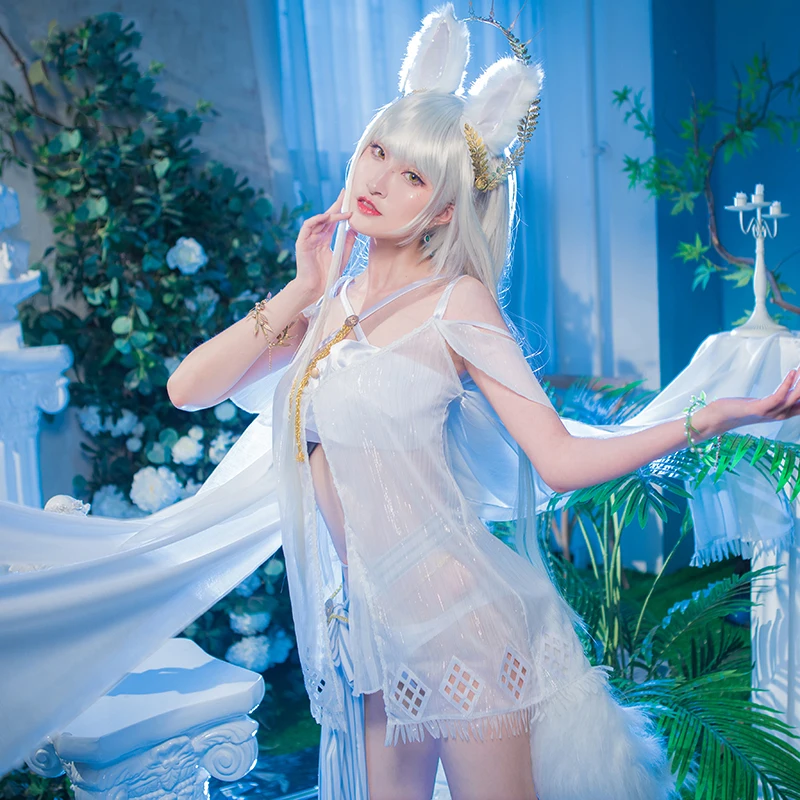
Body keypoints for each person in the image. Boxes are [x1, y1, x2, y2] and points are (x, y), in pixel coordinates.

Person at [2, 6, 800, 799]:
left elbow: (558, 460)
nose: (378, 180)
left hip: (463, 621)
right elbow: (188, 389)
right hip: (374, 631)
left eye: (413, 175)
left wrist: (709, 417)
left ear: (445, 209)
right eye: (378, 151)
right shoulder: (332, 305)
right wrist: (303, 287)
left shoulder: (457, 304)